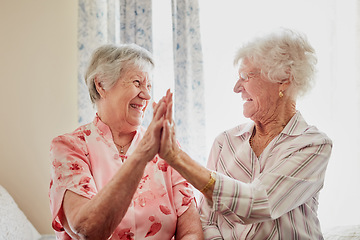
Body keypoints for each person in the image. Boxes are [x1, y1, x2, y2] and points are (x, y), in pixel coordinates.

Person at [158, 28, 332, 239]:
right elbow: (208, 219)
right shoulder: (225, 142)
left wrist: (177, 158)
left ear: (284, 79)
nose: (236, 87)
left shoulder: (313, 144)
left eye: (245, 76)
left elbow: (259, 202)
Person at [49, 43, 203, 239]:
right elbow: (88, 228)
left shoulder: (165, 147)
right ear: (101, 85)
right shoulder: (70, 147)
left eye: (149, 86)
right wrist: (141, 156)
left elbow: (191, 231)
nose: (147, 95)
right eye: (137, 83)